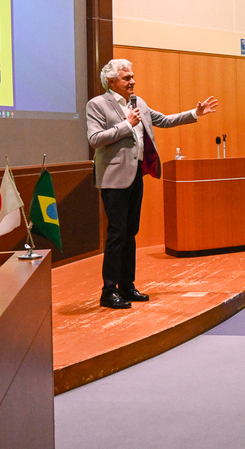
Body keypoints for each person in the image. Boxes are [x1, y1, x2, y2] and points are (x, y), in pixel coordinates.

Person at [86, 58, 217, 309]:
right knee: (117, 234)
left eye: (132, 77)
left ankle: (127, 286)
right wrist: (127, 125)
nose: (132, 81)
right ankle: (108, 291)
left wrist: (195, 113)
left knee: (130, 233)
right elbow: (95, 139)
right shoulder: (97, 104)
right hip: (113, 178)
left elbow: (164, 120)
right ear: (111, 81)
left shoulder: (139, 102)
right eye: (127, 78)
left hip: (136, 174)